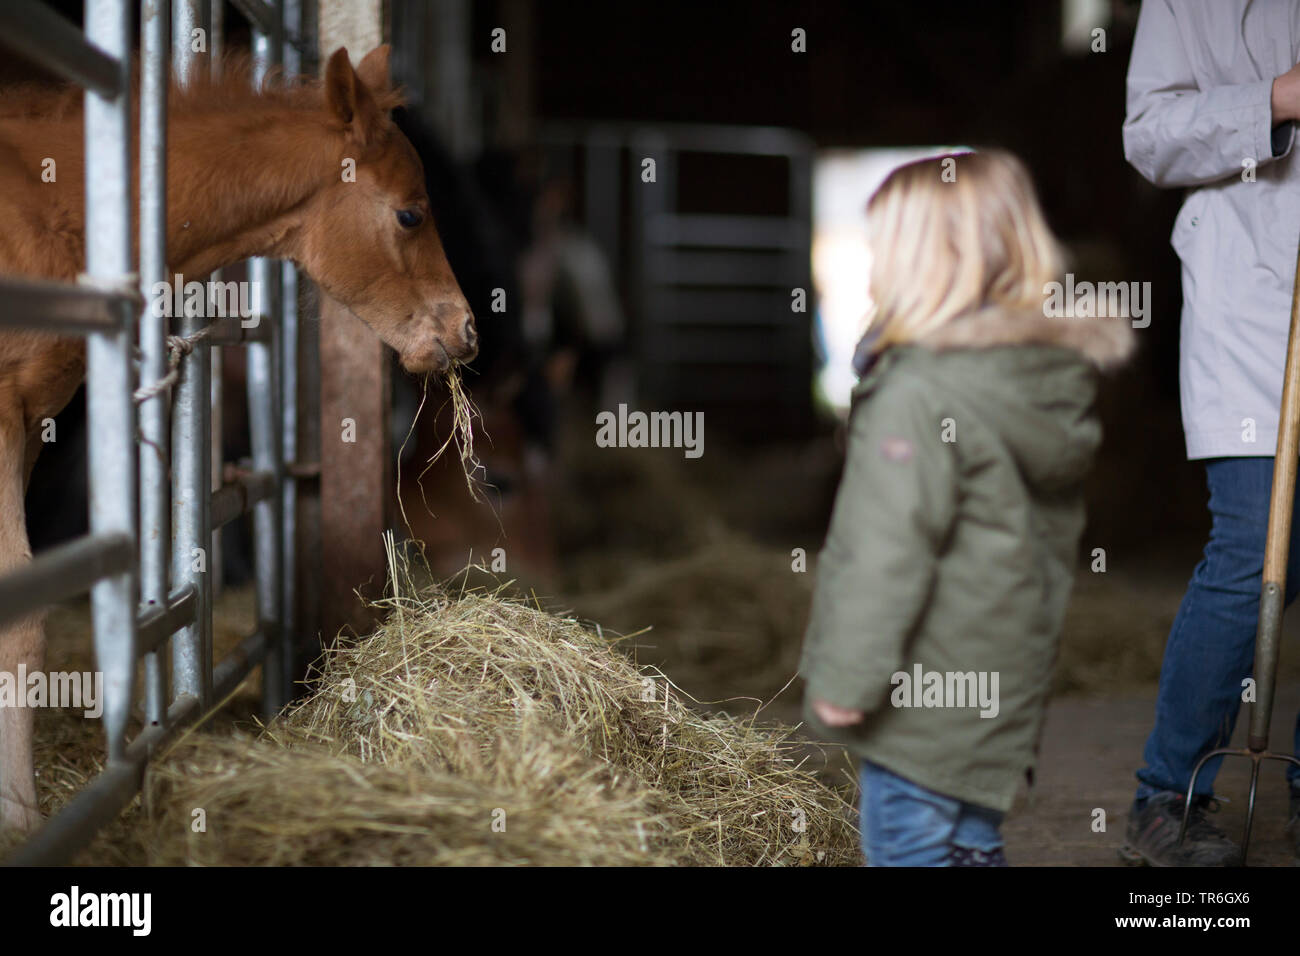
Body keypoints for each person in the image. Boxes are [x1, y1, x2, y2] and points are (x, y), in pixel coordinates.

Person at [799, 150, 1133, 866]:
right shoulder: (1037, 382)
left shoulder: (919, 395)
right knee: (974, 847)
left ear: (923, 262)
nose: (875, 267)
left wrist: (845, 681)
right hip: (1003, 700)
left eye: (885, 248)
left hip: (921, 710)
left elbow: (885, 553)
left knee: (911, 851)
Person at [1121, 0, 1300, 866]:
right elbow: (1149, 133)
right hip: (1254, 300)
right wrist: (1275, 98)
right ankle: (1168, 797)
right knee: (1251, 552)